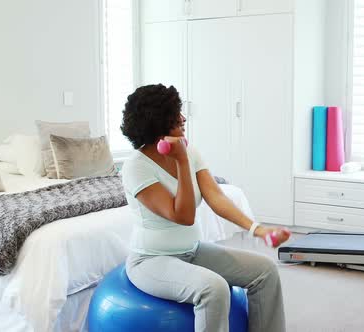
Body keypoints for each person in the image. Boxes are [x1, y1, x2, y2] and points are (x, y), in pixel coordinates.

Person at [120, 84, 290, 332]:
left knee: (265, 271)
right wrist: (180, 160)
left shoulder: (189, 151)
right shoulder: (136, 167)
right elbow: (184, 215)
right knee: (213, 288)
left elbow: (216, 198)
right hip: (151, 260)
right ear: (157, 122)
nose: (183, 118)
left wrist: (258, 229)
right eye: (175, 114)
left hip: (192, 251)